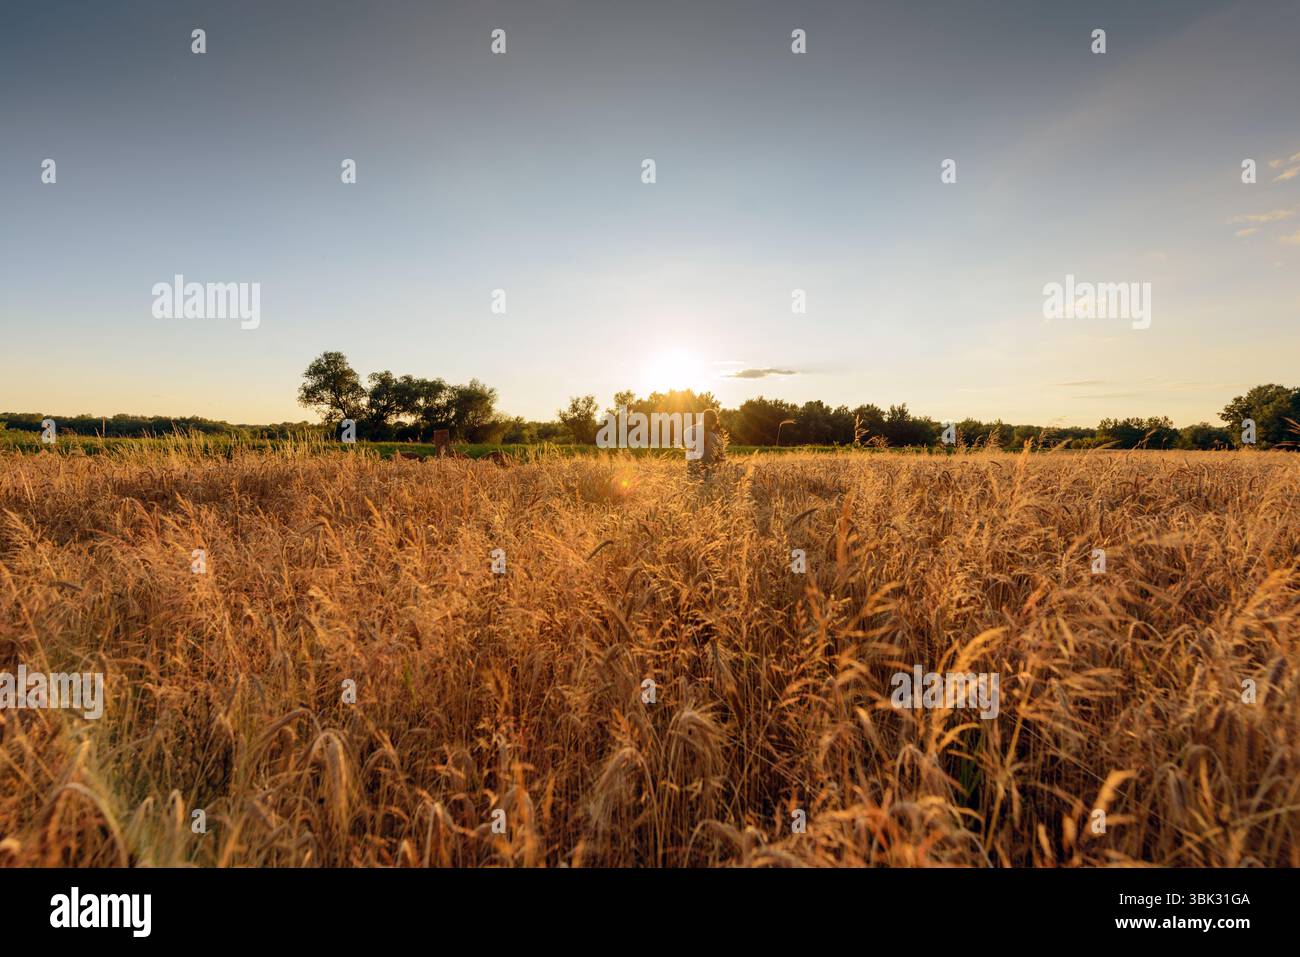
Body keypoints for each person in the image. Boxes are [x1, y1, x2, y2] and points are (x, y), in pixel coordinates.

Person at [684, 408, 726, 479]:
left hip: (691, 474)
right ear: (715, 422)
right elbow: (721, 460)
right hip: (708, 477)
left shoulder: (688, 431)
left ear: (701, 419)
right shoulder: (717, 439)